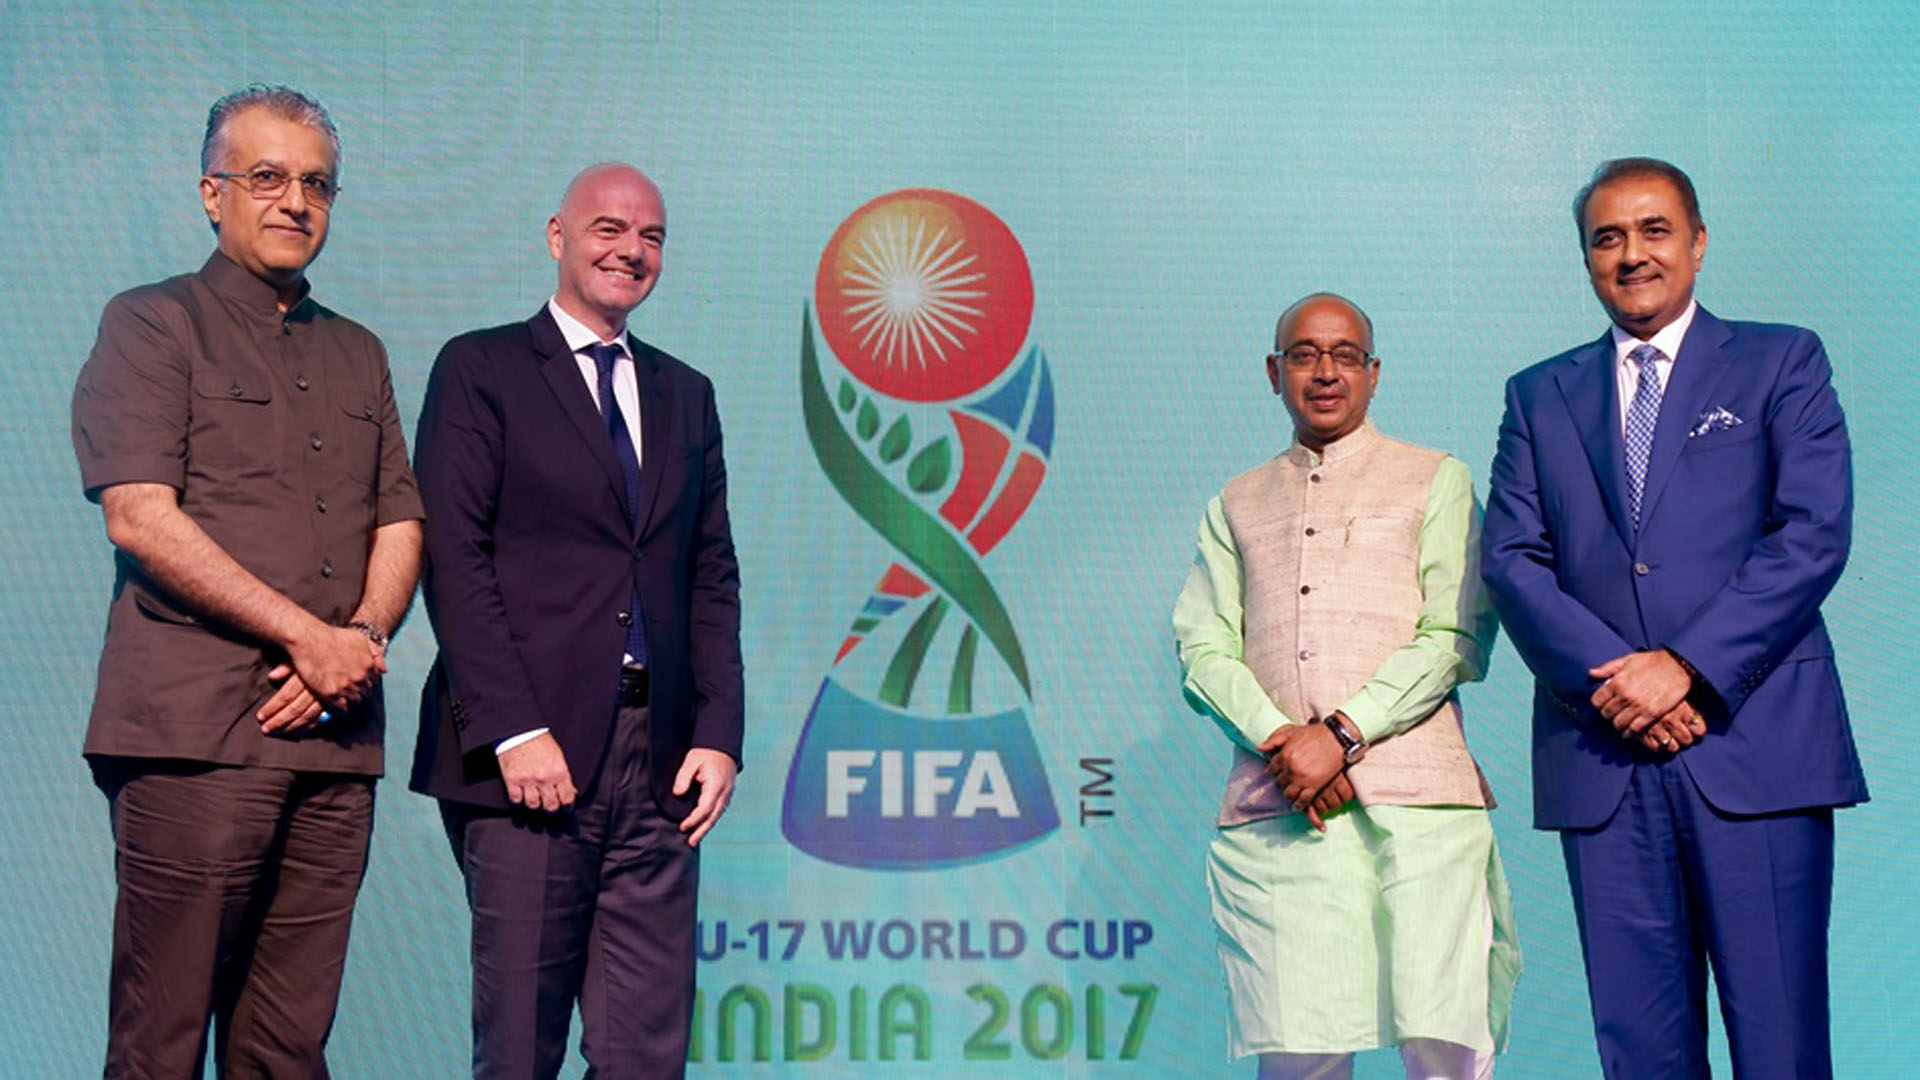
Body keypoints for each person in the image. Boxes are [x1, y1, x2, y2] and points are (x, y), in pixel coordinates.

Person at [1481, 157, 1868, 1079]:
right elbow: (1511, 560)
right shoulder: (1538, 394)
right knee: (1641, 1054)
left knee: (1781, 1047)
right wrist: (1623, 685)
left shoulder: (1782, 360)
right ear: (1586, 258)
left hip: (1756, 749)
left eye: (1654, 230)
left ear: (1697, 242)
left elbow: (1812, 532)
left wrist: (1685, 668)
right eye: (1607, 238)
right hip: (1604, 758)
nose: (1632, 254)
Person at [68, 84, 423, 1076]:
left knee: (288, 1049)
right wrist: (308, 640)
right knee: (162, 1041)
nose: (294, 201)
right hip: (194, 738)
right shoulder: (151, 324)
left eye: (317, 183)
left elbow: (401, 519)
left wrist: (357, 643)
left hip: (335, 742)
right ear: (210, 192)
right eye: (267, 176)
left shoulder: (360, 351)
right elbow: (140, 515)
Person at [411, 162, 743, 1077]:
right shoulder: (481, 369)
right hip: (530, 765)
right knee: (521, 1048)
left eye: (652, 237)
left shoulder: (687, 393)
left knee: (646, 1056)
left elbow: (710, 573)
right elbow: (454, 557)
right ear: (557, 237)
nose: (631, 251)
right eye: (609, 229)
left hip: (661, 764)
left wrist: (718, 733)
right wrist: (514, 728)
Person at [1174, 293, 1520, 1080]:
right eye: (1303, 355)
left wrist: (1338, 735)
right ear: (1274, 373)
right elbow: (1202, 646)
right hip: (1284, 810)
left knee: (1445, 1047)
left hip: (1421, 810)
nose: (1325, 372)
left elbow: (1457, 633)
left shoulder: (1435, 478)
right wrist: (1285, 743)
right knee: (1301, 1050)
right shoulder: (1237, 502)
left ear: (1374, 372)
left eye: (1344, 355)